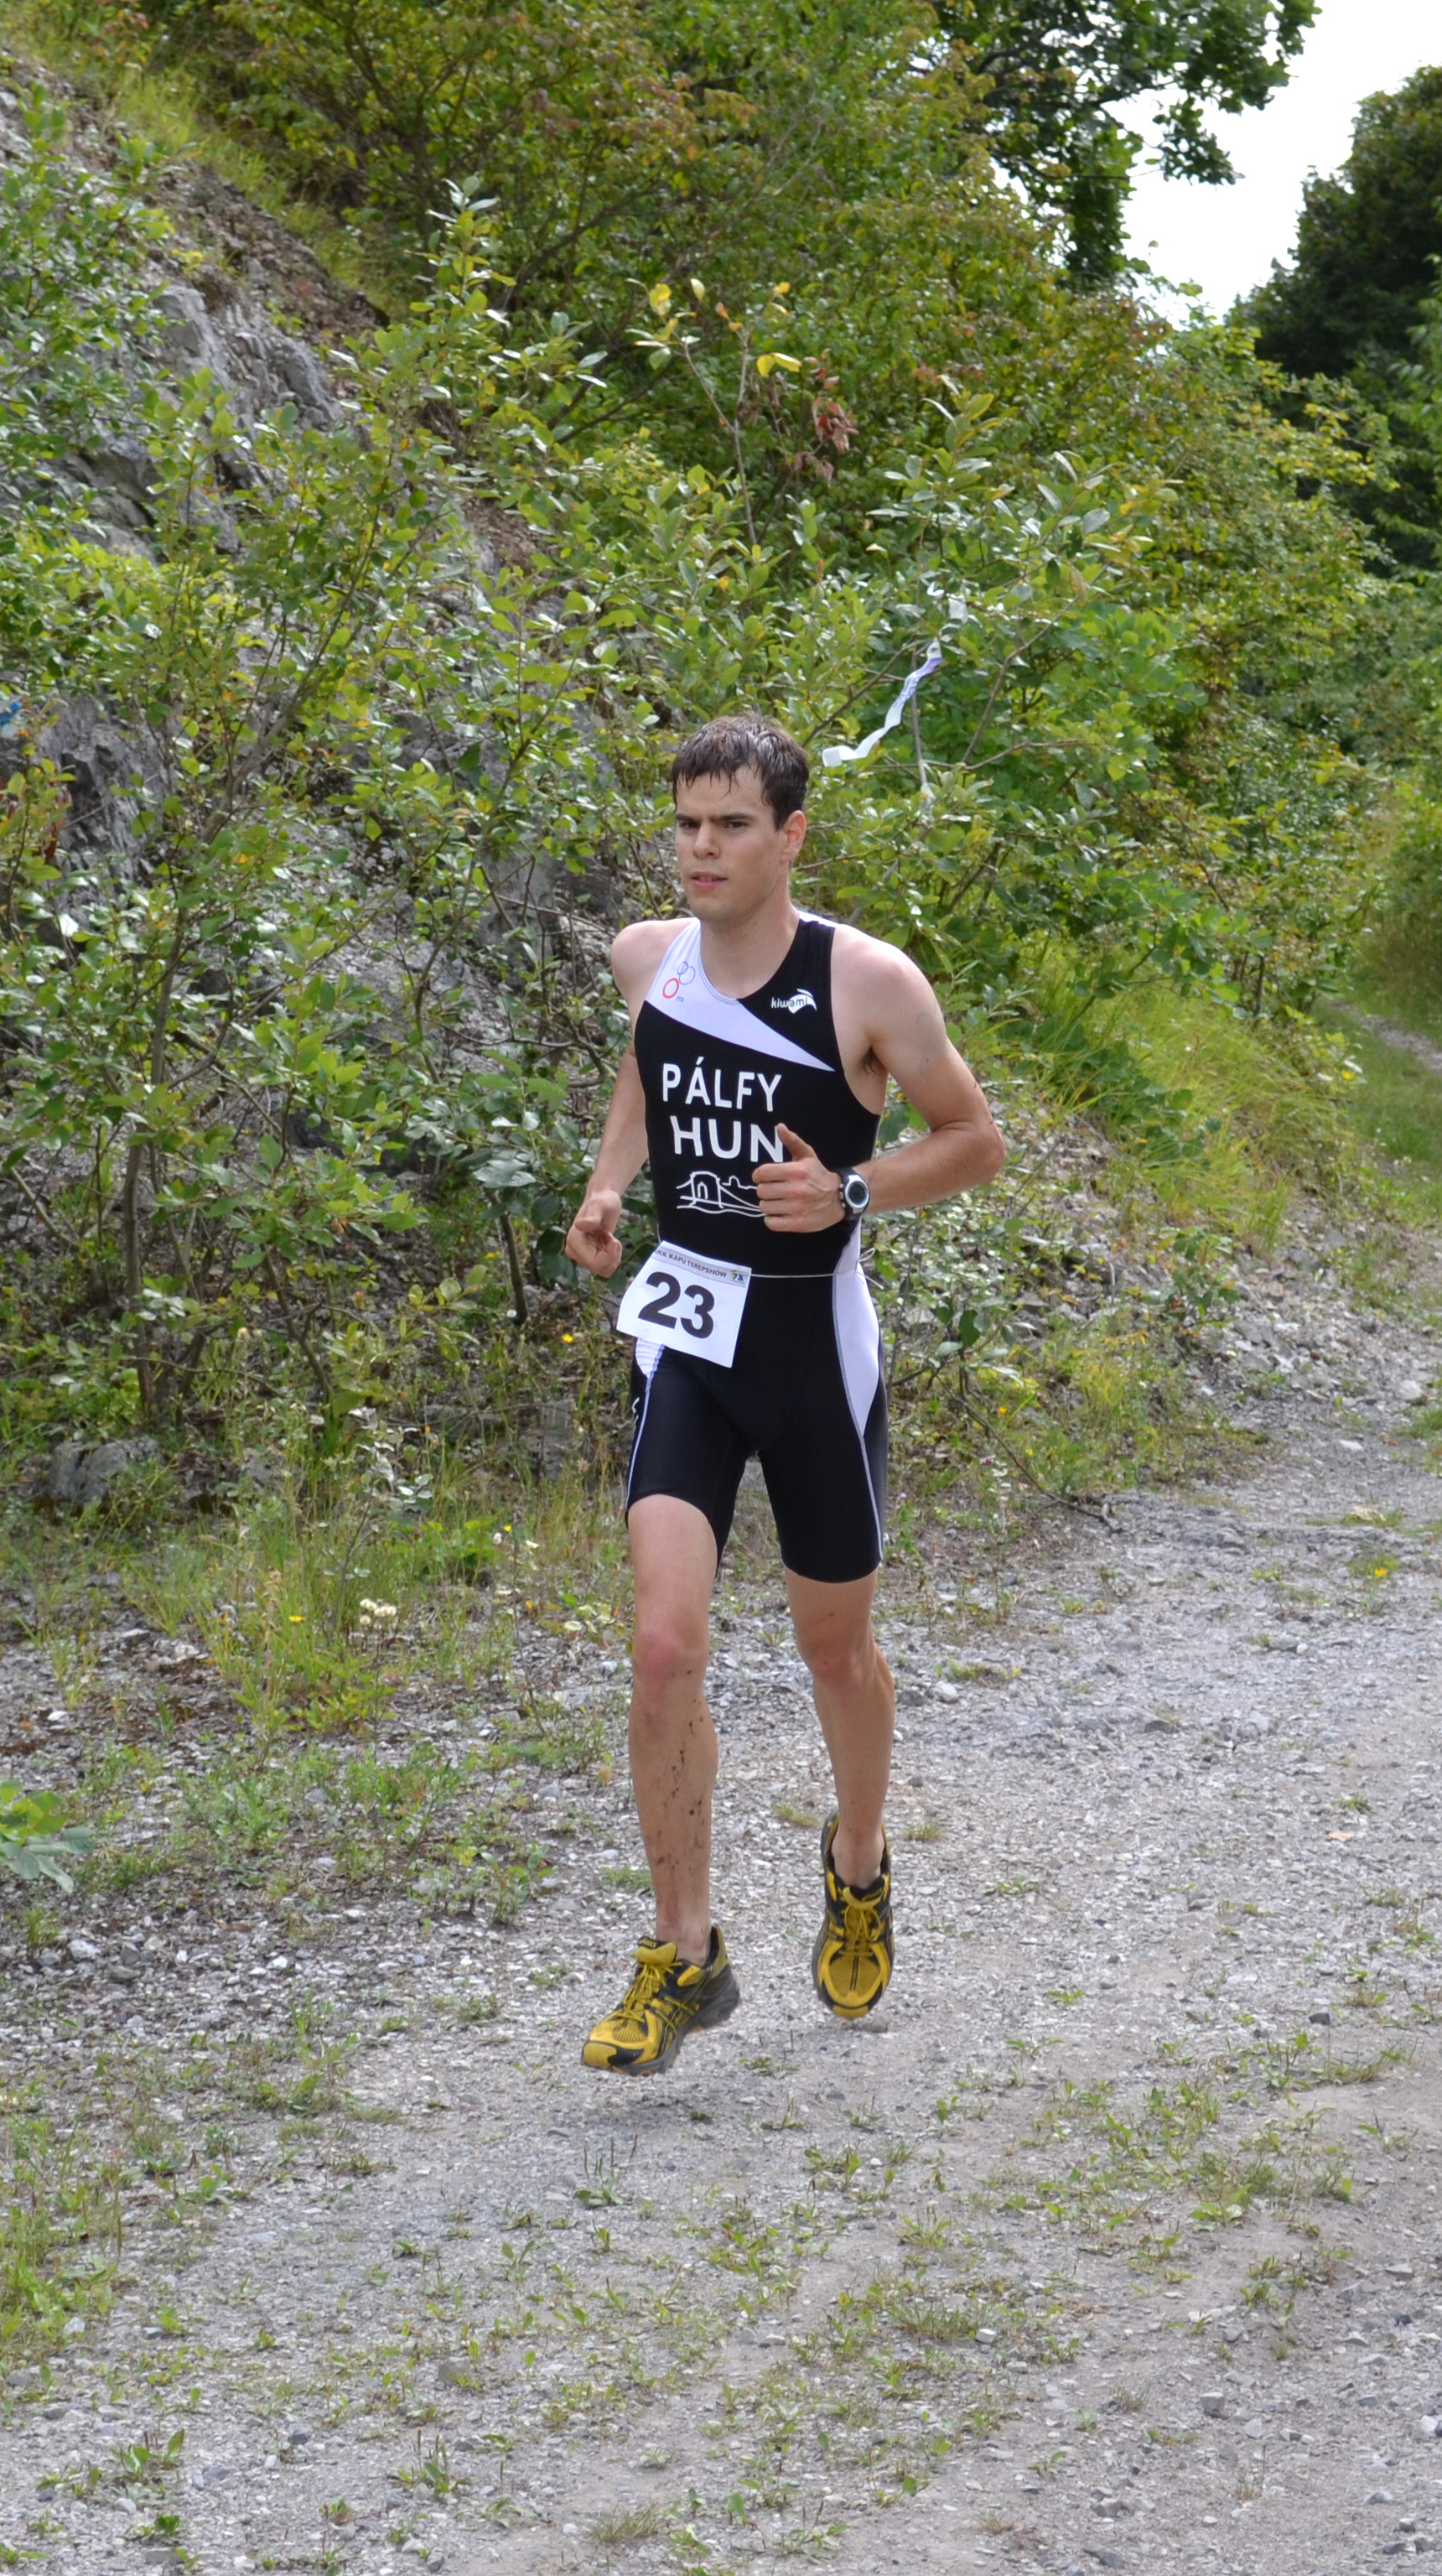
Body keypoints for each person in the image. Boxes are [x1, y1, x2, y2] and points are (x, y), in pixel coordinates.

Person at [558, 712, 1008, 2075]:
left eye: (731, 826)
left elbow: (975, 1140)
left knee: (834, 1653)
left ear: (791, 835)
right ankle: (683, 1952)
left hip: (814, 1349)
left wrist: (851, 1190)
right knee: (662, 1646)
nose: (700, 849)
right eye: (686, 824)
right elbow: (650, 1061)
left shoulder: (867, 982)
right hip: (690, 1340)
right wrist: (609, 1184)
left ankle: (858, 1861)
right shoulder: (647, 957)